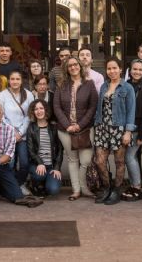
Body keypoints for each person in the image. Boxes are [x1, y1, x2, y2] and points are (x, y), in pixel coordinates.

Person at [53, 56, 98, 200]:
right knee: (72, 160)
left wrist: (80, 124)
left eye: (75, 64)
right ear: (66, 69)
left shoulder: (89, 84)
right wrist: (67, 125)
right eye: (69, 65)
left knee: (85, 160)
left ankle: (84, 188)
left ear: (80, 66)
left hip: (85, 128)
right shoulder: (61, 84)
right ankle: (76, 190)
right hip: (65, 130)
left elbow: (93, 107)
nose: (73, 67)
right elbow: (56, 107)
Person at [93, 57, 136, 205]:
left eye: (114, 68)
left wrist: (128, 132)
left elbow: (131, 111)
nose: (112, 71)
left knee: (119, 161)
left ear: (120, 69)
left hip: (119, 129)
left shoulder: (127, 88)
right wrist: (96, 124)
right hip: (102, 128)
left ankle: (116, 190)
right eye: (109, 69)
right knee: (99, 161)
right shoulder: (104, 86)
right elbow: (101, 108)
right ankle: (106, 187)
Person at [0, 70, 35, 195]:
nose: (15, 81)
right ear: (9, 80)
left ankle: (19, 183)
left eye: (17, 79)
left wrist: (20, 132)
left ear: (21, 81)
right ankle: (10, 186)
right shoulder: (2, 95)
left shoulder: (29, 95)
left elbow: (30, 115)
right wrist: (13, 132)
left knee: (24, 163)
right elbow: (1, 115)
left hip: (23, 136)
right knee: (10, 163)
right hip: (8, 135)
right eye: (12, 79)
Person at [121, 58, 142, 202]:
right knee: (127, 158)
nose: (137, 72)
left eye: (140, 70)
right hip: (124, 128)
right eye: (135, 69)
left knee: (130, 157)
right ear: (130, 70)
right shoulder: (125, 85)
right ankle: (133, 184)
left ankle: (137, 187)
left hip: (137, 129)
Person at [26, 99, 63, 197]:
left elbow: (59, 149)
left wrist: (57, 167)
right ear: (33, 112)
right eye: (36, 109)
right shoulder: (31, 128)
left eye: (41, 108)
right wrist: (40, 163)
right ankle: (35, 183)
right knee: (39, 175)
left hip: (51, 166)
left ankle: (46, 183)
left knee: (53, 190)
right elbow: (31, 150)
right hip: (37, 165)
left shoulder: (54, 127)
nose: (39, 111)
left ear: (46, 110)